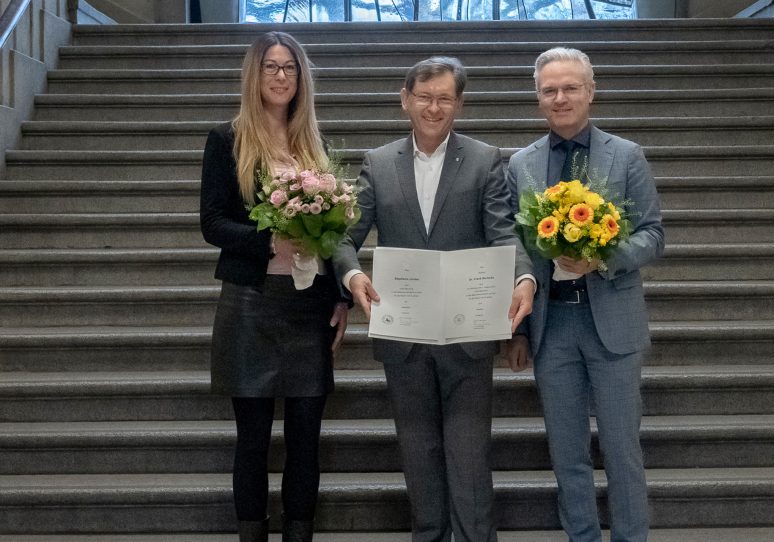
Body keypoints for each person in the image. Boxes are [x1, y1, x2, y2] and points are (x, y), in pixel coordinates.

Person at [333, 56, 536, 542]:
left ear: (459, 105)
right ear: (405, 100)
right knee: (418, 455)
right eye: (424, 97)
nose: (433, 107)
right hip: (403, 337)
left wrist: (525, 279)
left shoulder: (486, 159)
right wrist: (352, 275)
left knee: (468, 459)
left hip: (468, 335)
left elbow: (503, 234)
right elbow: (344, 238)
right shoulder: (379, 163)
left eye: (445, 98)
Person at [506, 47, 664, 542]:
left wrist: (602, 258)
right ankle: (582, 537)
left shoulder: (627, 155)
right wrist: (521, 315)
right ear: (538, 99)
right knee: (567, 452)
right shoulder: (521, 165)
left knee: (621, 449)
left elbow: (652, 235)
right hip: (553, 326)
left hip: (612, 322)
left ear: (590, 92)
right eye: (550, 90)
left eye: (571, 87)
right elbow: (517, 245)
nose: (561, 97)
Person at [200, 31, 348, 542]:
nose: (281, 76)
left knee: (307, 438)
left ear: (301, 77)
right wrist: (271, 240)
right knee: (253, 440)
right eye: (271, 67)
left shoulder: (317, 145)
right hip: (251, 303)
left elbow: (335, 235)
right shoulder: (228, 140)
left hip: (309, 307)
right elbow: (213, 223)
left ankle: (299, 534)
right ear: (254, 75)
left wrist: (342, 297)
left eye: (289, 68)